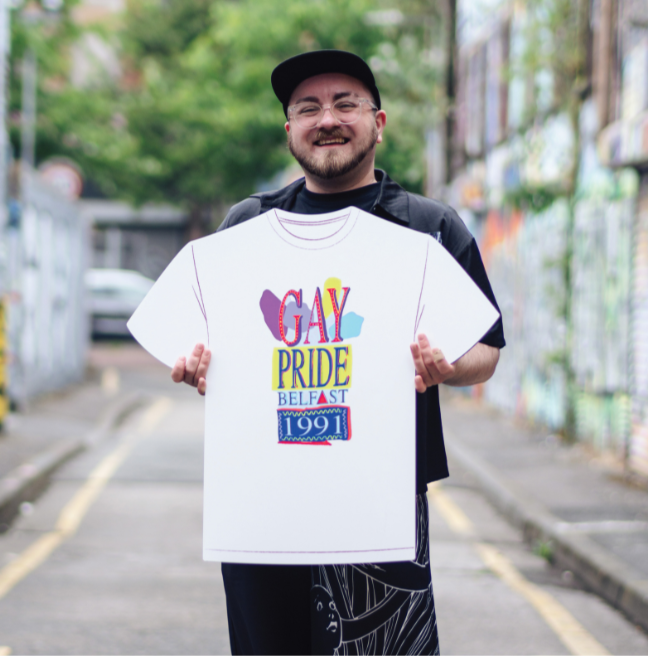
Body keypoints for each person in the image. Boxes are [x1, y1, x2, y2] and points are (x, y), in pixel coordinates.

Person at [171, 50, 505, 655]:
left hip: (380, 503)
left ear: (378, 122)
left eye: (345, 103)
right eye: (308, 108)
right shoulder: (246, 227)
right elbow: (202, 341)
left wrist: (448, 367)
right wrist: (196, 362)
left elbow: (486, 349)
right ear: (290, 129)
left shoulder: (427, 227)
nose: (327, 118)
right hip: (260, 501)